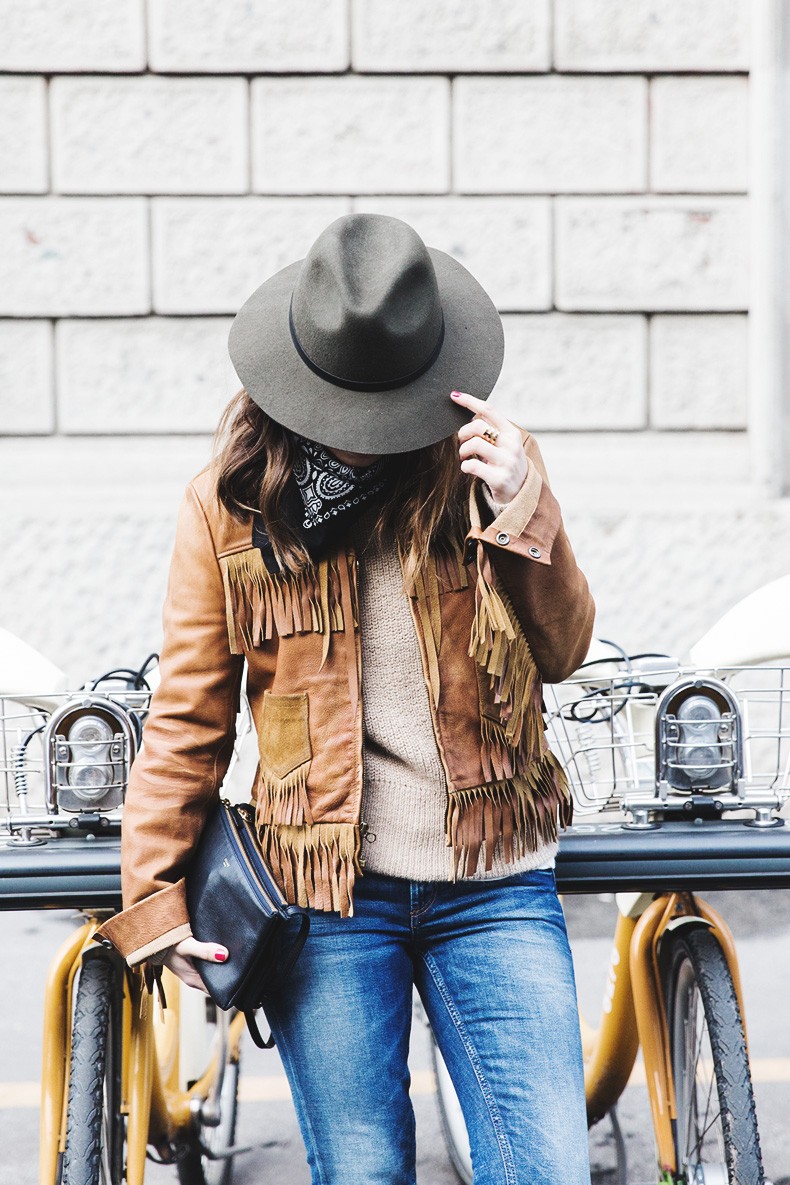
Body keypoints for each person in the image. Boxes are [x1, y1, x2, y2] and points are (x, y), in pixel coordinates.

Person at [98, 213, 595, 1185]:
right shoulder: (228, 504)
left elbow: (562, 650)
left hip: (492, 883)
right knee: (361, 1173)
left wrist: (522, 506)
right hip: (326, 894)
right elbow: (190, 714)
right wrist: (152, 900)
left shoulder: (482, 469)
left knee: (545, 1170)